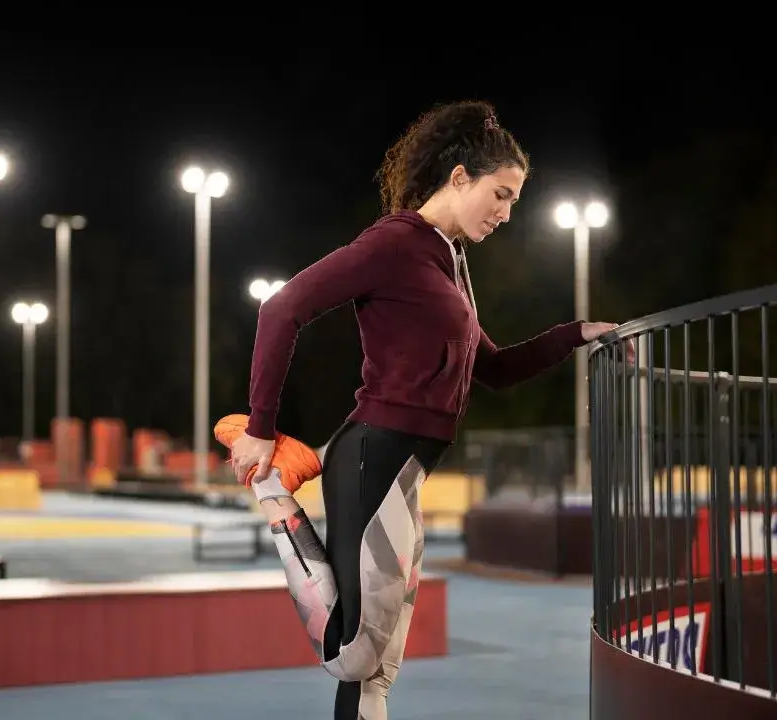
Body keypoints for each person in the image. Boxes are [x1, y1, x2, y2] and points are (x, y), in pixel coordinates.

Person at [217, 99, 629, 720]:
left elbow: (492, 368)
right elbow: (281, 309)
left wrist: (576, 334)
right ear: (459, 176)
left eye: (515, 200)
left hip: (406, 471)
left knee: (380, 668)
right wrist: (259, 429)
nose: (507, 212)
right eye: (502, 194)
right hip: (374, 459)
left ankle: (280, 490)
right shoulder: (393, 243)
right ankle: (275, 495)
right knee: (353, 654)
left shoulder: (450, 260)